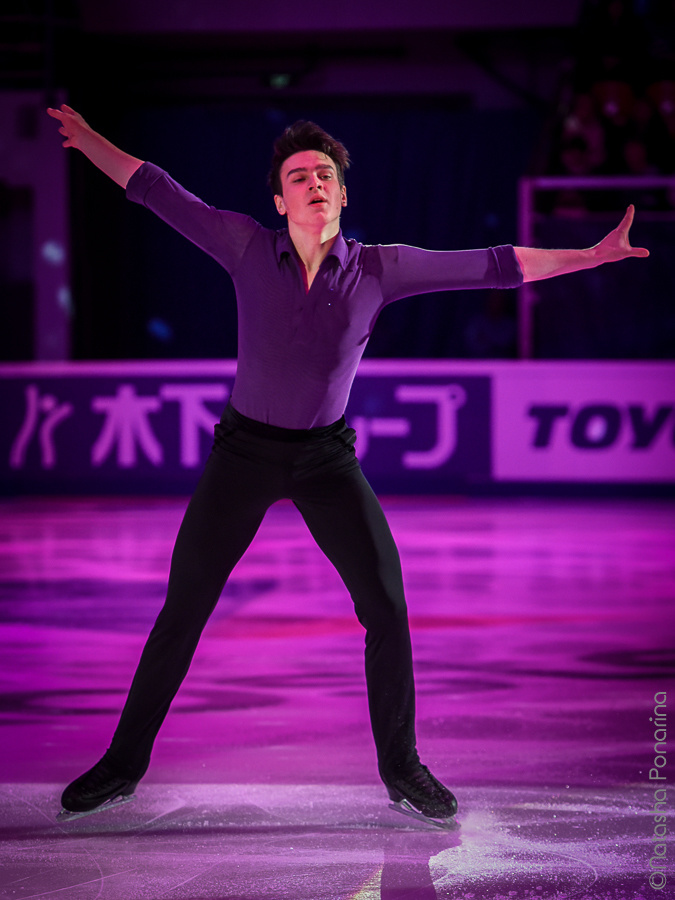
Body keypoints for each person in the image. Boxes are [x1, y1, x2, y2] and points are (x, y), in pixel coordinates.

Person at [47, 104, 649, 825]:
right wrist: (87, 141)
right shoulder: (243, 245)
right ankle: (121, 766)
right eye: (297, 176)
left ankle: (402, 770)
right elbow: (158, 189)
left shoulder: (376, 267)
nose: (312, 183)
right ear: (279, 199)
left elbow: (493, 266)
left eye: (324, 174)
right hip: (242, 454)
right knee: (183, 610)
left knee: (386, 608)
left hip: (325, 459)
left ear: (342, 193)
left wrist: (588, 255)